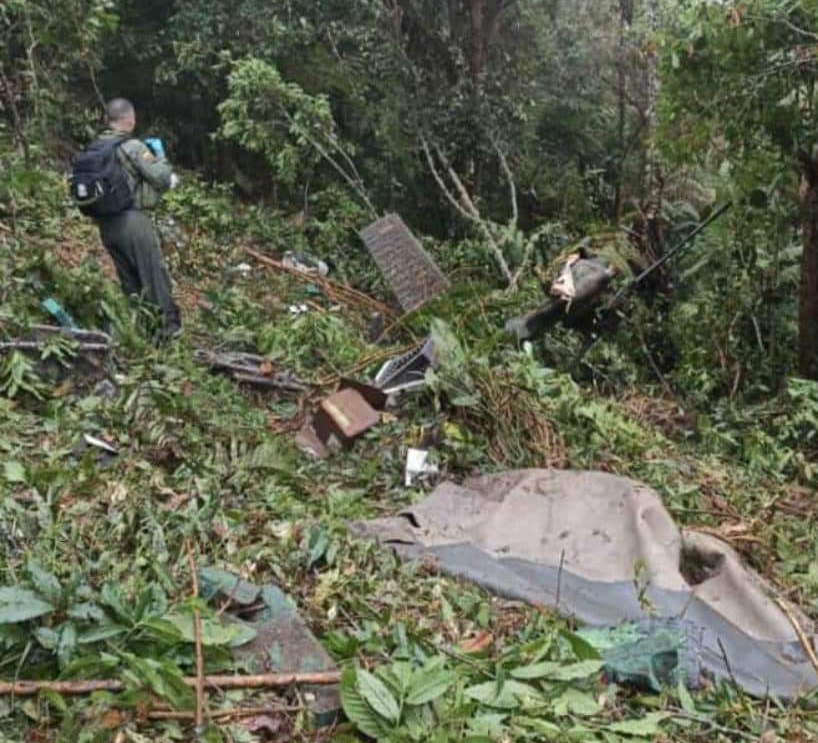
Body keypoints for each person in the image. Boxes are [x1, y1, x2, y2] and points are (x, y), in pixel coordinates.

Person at [95, 97, 182, 340]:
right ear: (130, 120)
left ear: (107, 120)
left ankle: (140, 333)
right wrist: (160, 157)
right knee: (152, 275)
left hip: (106, 225)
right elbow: (161, 177)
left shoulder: (97, 147)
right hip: (132, 221)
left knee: (129, 281)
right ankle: (167, 330)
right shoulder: (132, 146)